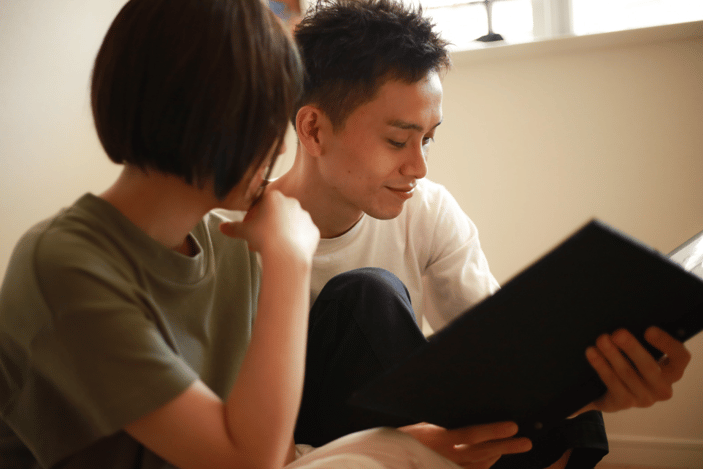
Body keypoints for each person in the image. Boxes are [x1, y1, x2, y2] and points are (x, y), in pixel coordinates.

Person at [0, 1, 526, 468]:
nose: (278, 145)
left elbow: (273, 448)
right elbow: (249, 460)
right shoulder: (63, 262)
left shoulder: (229, 250)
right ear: (205, 119)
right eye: (266, 117)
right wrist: (289, 261)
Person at [267, 1, 693, 468]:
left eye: (427, 139)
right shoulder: (235, 235)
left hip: (394, 424)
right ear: (313, 129)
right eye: (397, 140)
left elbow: (502, 355)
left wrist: (594, 392)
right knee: (369, 294)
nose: (419, 167)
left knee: (553, 354)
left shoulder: (426, 208)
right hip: (301, 432)